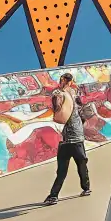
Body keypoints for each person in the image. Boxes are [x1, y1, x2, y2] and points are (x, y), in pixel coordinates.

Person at [44, 72, 91, 205]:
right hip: (68, 140)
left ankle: (85, 188)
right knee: (65, 169)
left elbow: (63, 107)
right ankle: (54, 195)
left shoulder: (70, 93)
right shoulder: (62, 93)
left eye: (66, 80)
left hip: (75, 138)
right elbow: (58, 108)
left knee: (79, 165)